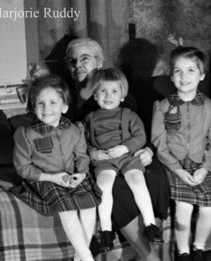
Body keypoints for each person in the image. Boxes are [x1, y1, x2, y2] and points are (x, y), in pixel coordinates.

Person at [65, 37, 169, 261]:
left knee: (154, 175)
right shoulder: (66, 98)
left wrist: (149, 150)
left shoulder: (121, 94)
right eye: (72, 61)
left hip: (129, 153)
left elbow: (146, 128)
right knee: (114, 187)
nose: (77, 66)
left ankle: (154, 237)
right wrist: (91, 153)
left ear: (100, 62)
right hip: (98, 160)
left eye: (85, 59)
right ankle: (150, 257)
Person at [151, 46, 211, 261]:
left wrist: (205, 169)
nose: (184, 76)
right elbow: (159, 142)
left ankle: (199, 248)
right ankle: (183, 252)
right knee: (183, 208)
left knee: (208, 208)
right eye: (178, 71)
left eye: (191, 70)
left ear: (202, 75)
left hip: (201, 163)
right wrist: (177, 169)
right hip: (175, 164)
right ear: (171, 75)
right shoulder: (162, 107)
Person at [12, 76, 102, 261]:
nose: (47, 109)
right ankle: (88, 258)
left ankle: (80, 257)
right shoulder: (27, 134)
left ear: (64, 107)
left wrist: (81, 174)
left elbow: (82, 156)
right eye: (40, 103)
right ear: (33, 107)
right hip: (44, 180)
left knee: (89, 206)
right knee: (67, 208)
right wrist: (51, 178)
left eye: (53, 102)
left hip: (71, 177)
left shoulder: (74, 129)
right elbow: (23, 167)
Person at [84, 68, 163, 252]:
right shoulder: (90, 118)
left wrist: (125, 147)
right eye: (103, 91)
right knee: (103, 185)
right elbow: (84, 143)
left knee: (137, 179)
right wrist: (94, 153)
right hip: (105, 160)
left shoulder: (129, 115)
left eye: (114, 91)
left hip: (127, 157)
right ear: (95, 95)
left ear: (122, 96)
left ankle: (150, 224)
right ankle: (106, 231)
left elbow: (140, 136)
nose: (108, 95)